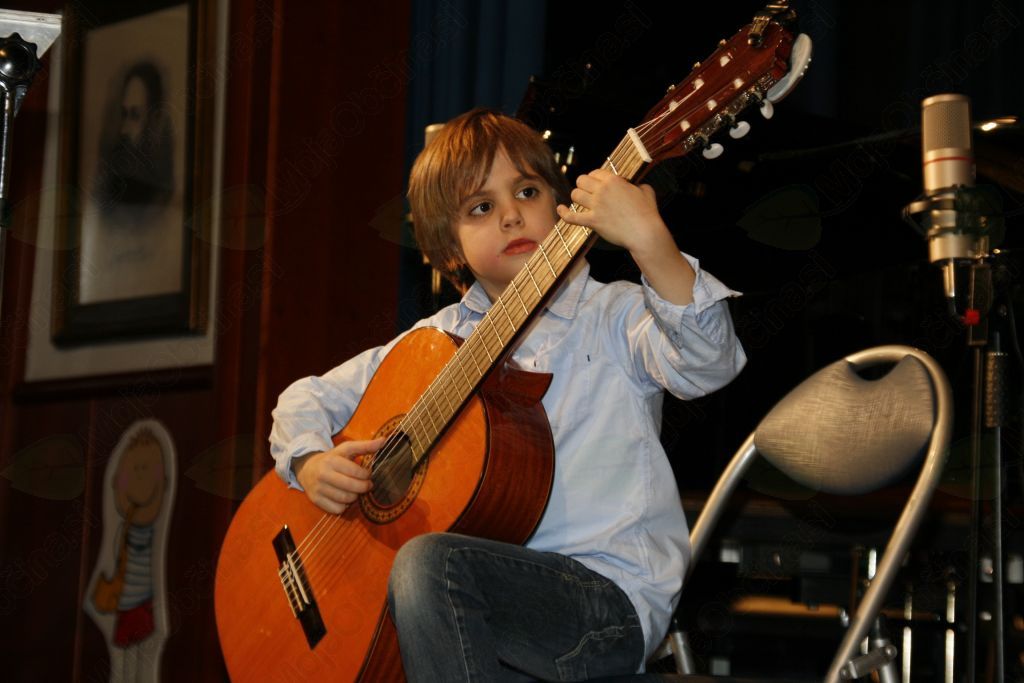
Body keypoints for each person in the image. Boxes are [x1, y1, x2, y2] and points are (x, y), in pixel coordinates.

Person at [269, 108, 746, 681]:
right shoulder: (434, 345)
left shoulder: (615, 315)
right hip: (485, 622)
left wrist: (651, 242)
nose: (512, 215)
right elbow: (305, 398)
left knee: (429, 565)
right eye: (480, 207)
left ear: (562, 204)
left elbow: (709, 362)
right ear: (448, 246)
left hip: (604, 608)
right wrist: (309, 461)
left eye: (527, 191)